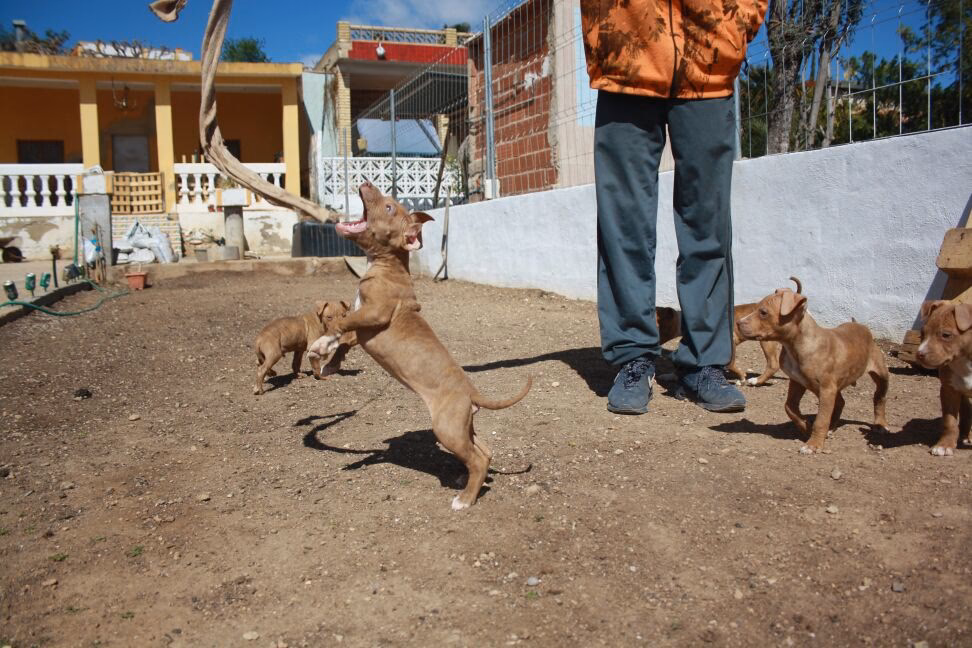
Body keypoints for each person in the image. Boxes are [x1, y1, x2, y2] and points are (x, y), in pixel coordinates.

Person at [580, 0, 768, 414]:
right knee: (623, 222)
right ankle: (633, 356)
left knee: (708, 222)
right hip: (624, 52)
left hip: (709, 56)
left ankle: (704, 362)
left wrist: (738, 21)